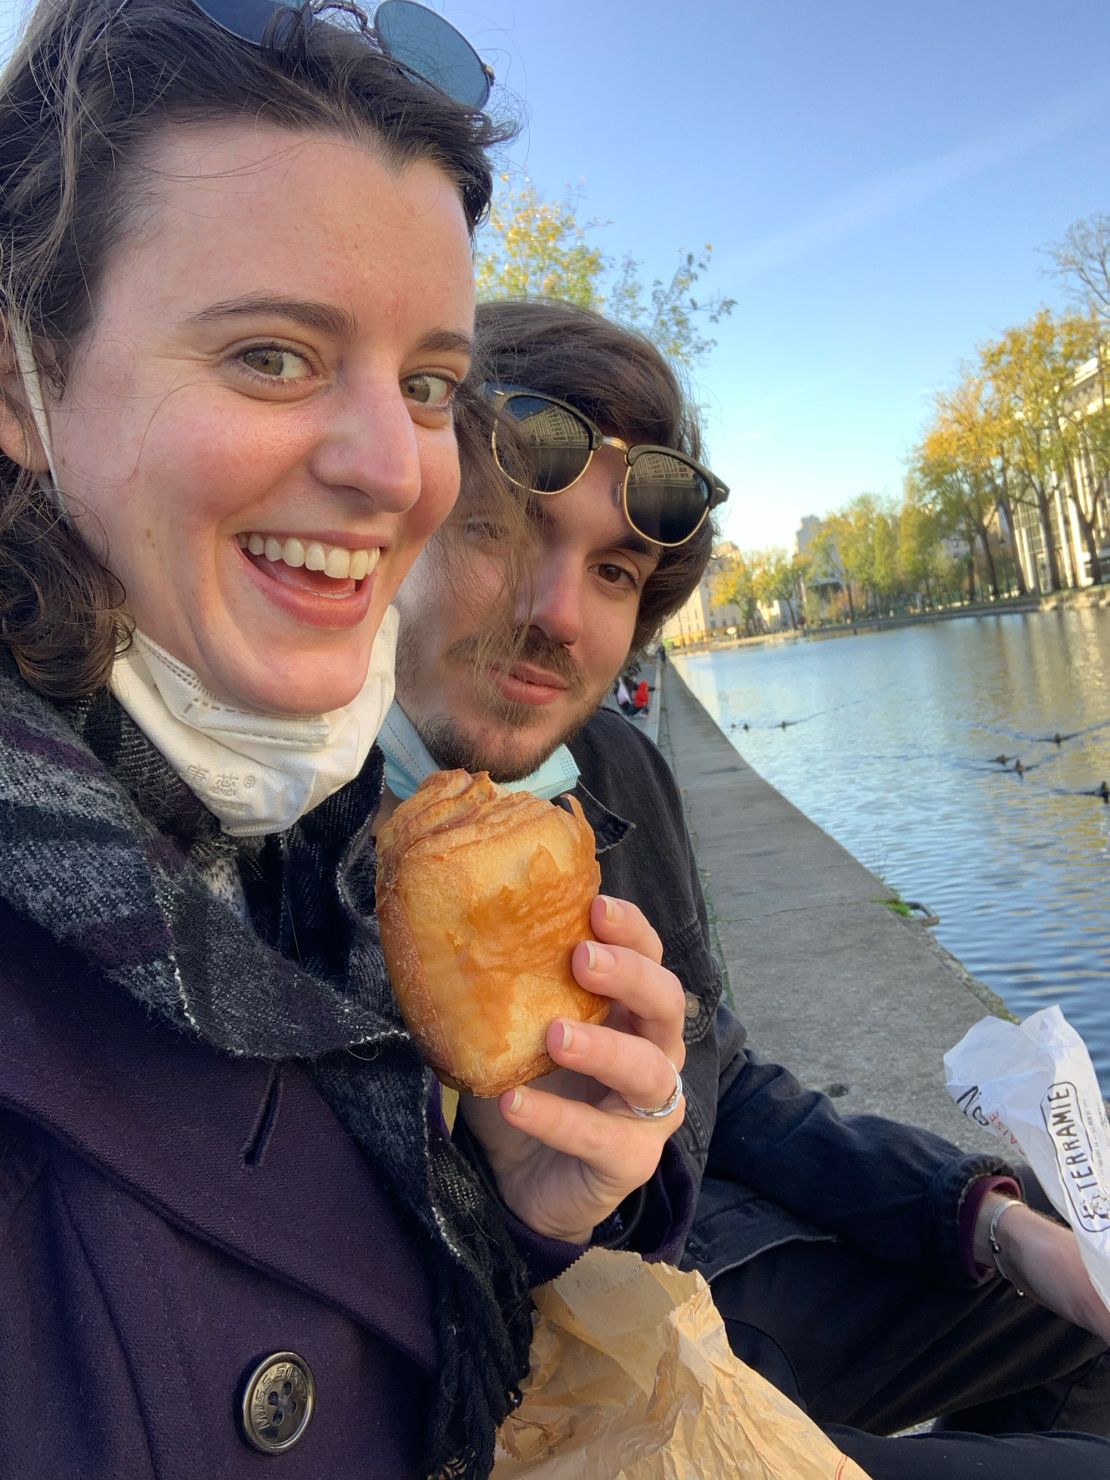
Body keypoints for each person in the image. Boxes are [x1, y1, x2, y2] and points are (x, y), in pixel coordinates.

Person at [0, 9, 694, 1477]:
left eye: (430, 384)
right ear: (18, 380)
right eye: (270, 353)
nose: (398, 470)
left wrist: (515, 1203)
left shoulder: (297, 839)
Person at [382, 296, 1110, 1478]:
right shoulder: (287, 832)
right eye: (501, 528)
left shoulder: (616, 773)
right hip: (538, 1392)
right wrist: (523, 1220)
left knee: (1077, 1268)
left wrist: (987, 1220)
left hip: (715, 1284)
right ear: (399, 520)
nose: (556, 612)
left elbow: (727, 1075)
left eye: (615, 570)